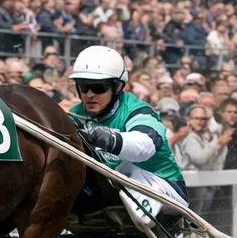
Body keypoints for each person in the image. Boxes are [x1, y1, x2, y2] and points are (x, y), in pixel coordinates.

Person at [67, 45, 189, 221]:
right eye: (84, 87)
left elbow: (145, 146)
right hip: (112, 191)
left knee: (127, 169)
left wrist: (106, 137)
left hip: (164, 187)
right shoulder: (76, 113)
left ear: (116, 87)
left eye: (98, 87)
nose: (89, 94)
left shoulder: (138, 110)